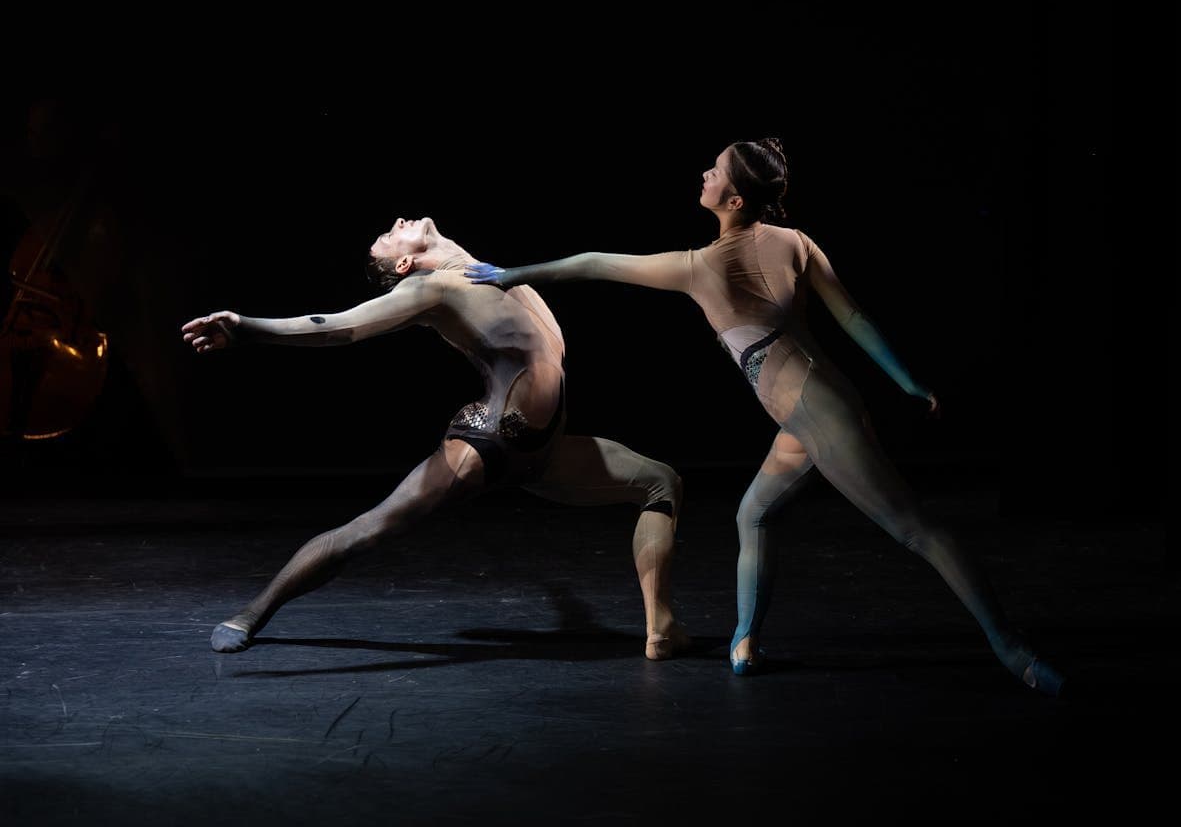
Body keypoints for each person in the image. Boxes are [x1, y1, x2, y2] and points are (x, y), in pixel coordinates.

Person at [465, 138, 1066, 695]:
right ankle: (745, 644)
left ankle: (1014, 650)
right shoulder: (795, 242)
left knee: (914, 529)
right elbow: (852, 318)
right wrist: (905, 381)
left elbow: (595, 262)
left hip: (820, 415)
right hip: (812, 411)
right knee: (753, 512)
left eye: (714, 170)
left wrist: (514, 274)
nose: (703, 173)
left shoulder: (699, 266)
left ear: (732, 198)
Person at [181, 215, 688, 661]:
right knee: (369, 530)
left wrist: (563, 601)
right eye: (388, 236)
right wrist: (248, 327)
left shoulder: (493, 274)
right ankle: (250, 614)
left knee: (661, 484)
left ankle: (659, 629)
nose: (398, 222)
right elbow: (337, 327)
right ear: (403, 267)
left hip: (548, 451)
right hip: (486, 444)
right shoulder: (429, 290)